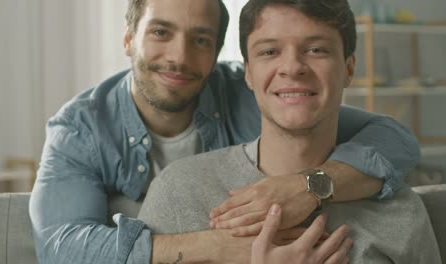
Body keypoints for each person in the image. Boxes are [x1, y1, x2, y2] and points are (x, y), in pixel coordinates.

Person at [29, 0, 421, 263]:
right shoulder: (81, 128)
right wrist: (223, 247)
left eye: (200, 39)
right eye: (161, 33)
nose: (180, 57)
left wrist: (309, 185)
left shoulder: (258, 93)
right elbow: (59, 247)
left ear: (218, 52)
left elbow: (394, 141)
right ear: (129, 38)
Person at [137, 0, 441, 263]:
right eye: (270, 51)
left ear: (349, 68)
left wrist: (310, 187)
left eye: (316, 49)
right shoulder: (179, 193)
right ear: (248, 74)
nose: (293, 67)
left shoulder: (400, 211)